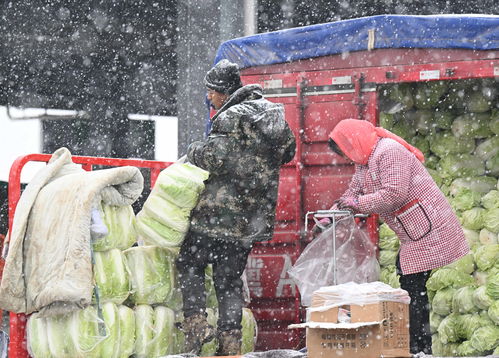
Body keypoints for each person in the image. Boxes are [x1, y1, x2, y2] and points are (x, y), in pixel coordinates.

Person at [176, 59, 296, 355]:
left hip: (218, 214)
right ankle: (230, 345)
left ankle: (196, 324)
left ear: (223, 91)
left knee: (190, 260)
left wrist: (193, 150)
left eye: (211, 92)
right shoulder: (273, 115)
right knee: (228, 280)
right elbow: (288, 153)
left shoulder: (230, 116)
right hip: (251, 218)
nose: (209, 98)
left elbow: (216, 158)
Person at [323, 119, 469, 355]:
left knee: (412, 287)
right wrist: (334, 212)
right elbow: (354, 191)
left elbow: (394, 194)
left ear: (354, 141)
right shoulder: (365, 161)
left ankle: (418, 347)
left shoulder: (388, 152)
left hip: (429, 227)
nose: (348, 157)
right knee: (410, 285)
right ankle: (417, 346)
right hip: (414, 230)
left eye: (346, 150)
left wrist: (358, 204)